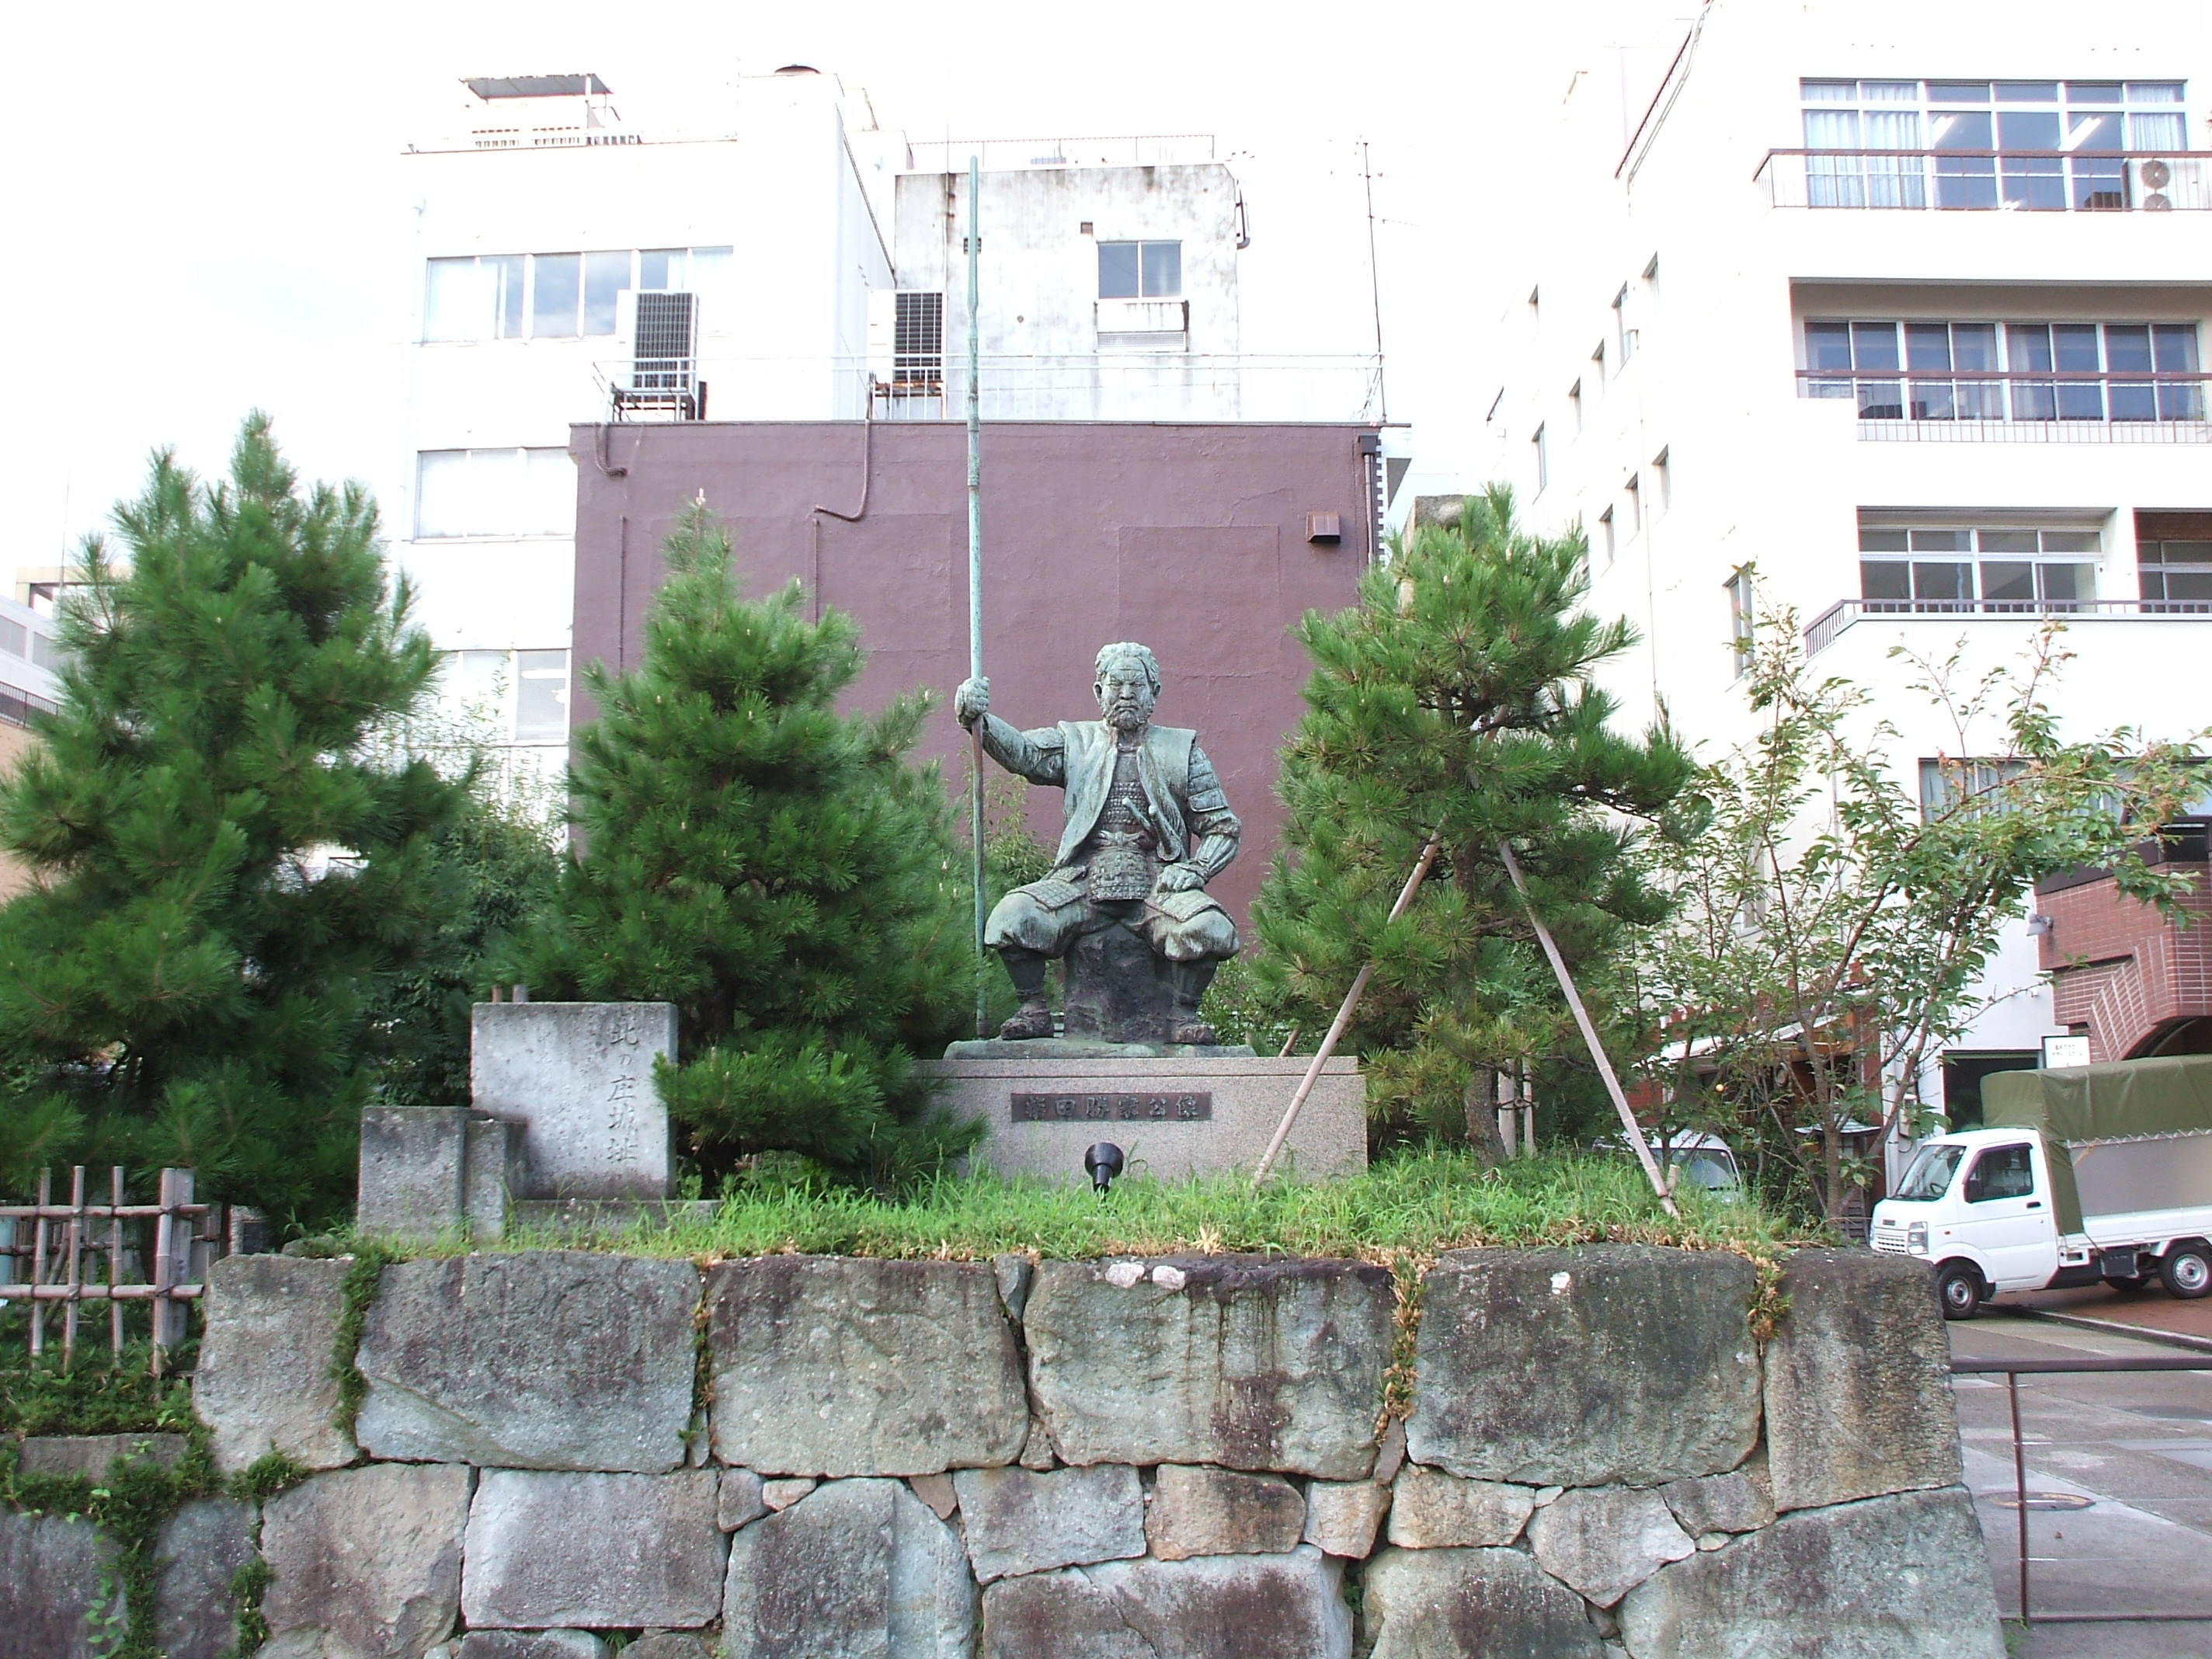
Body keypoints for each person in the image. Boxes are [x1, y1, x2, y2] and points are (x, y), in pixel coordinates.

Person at [955, 642, 1240, 1044]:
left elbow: (1223, 828)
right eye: (1116, 685)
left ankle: (1181, 1014)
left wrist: (1196, 870)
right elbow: (1024, 754)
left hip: (1156, 884)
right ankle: (1033, 1008)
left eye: (1136, 685)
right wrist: (977, 717)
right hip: (1082, 881)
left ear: (1154, 692)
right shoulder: (1074, 742)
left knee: (1211, 928)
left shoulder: (1184, 752)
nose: (1126, 695)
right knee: (1011, 917)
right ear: (1098, 691)